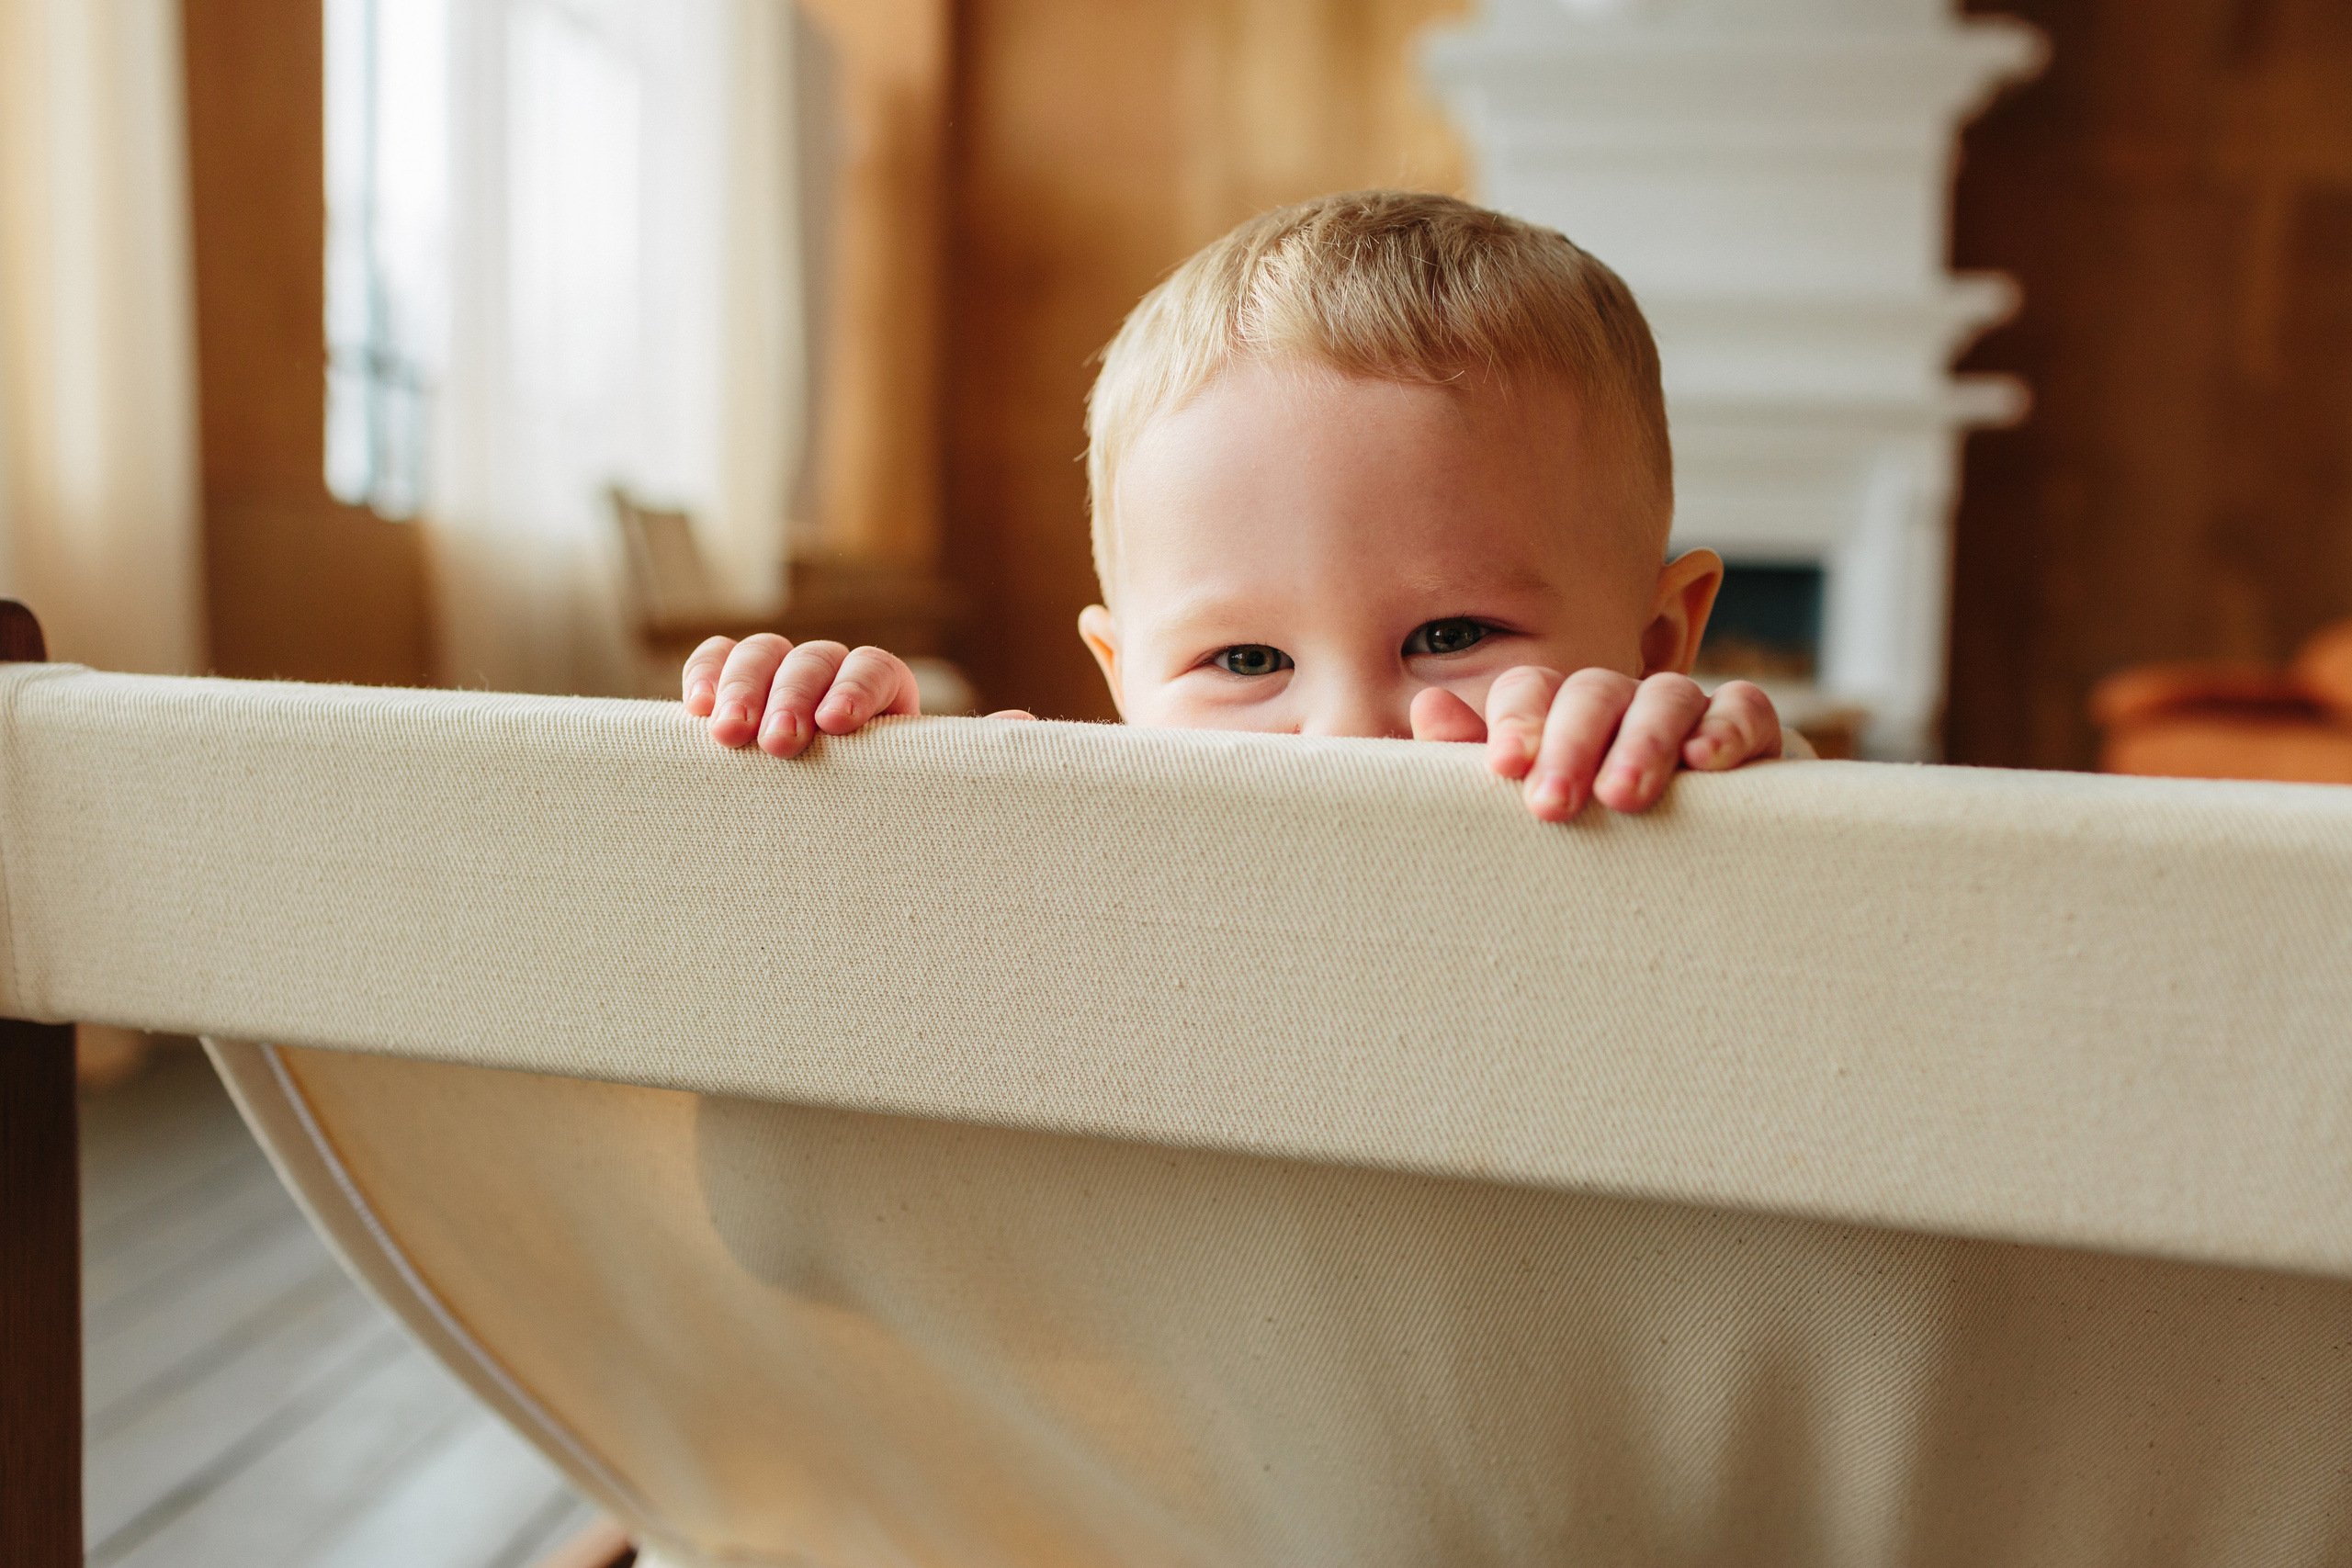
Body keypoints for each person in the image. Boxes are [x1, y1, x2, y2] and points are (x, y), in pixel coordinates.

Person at [683, 190, 1800, 821]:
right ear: (1121, 687)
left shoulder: (1653, 814)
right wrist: (864, 789)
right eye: (1247, 661)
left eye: (1449, 636)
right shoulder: (1079, 843)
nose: (1343, 738)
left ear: (1657, 643)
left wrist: (1743, 803)